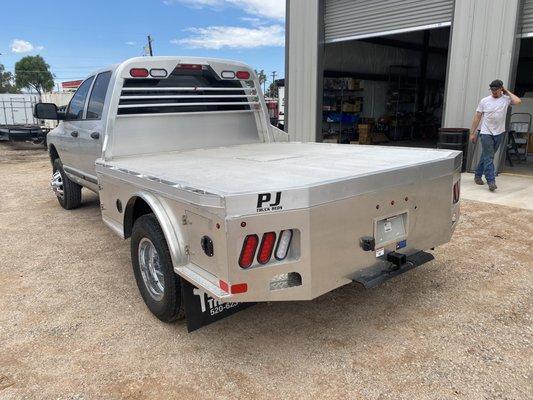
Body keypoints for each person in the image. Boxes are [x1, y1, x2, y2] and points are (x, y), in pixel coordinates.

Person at [470, 80, 521, 191]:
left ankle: (478, 175)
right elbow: (477, 117)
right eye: (492, 90)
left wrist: (506, 91)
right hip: (485, 132)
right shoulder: (484, 101)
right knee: (489, 157)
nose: (493, 92)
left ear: (500, 89)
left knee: (486, 155)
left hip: (499, 133)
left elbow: (517, 101)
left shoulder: (506, 100)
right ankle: (491, 181)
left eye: (496, 90)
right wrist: (472, 132)